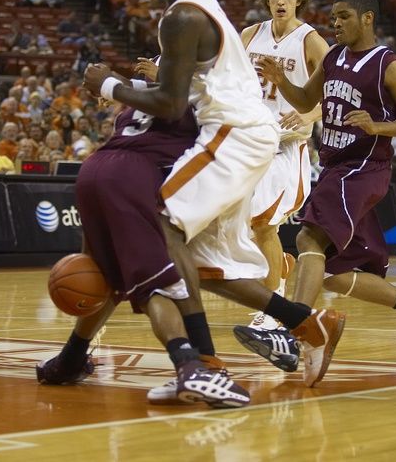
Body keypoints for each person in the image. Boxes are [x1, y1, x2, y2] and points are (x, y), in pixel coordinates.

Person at [83, 0, 346, 391]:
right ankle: (306, 323)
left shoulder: (190, 14)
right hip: (238, 131)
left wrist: (109, 85)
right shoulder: (235, 26)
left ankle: (202, 362)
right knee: (202, 262)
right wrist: (144, 88)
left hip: (244, 136)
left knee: (161, 221)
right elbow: (202, 87)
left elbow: (174, 102)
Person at [233, 0, 396, 370]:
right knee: (334, 275)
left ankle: (292, 331)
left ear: (367, 18)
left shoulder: (389, 65)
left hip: (364, 168)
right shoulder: (333, 57)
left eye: (343, 16)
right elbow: (304, 101)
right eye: (333, 17)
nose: (335, 24)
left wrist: (377, 126)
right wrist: (278, 80)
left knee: (308, 237)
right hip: (337, 168)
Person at [36, 100, 251, 409]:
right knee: (156, 285)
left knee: (106, 275)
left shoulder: (145, 92)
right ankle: (190, 367)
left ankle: (70, 359)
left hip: (94, 169)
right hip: (130, 177)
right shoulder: (199, 91)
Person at [241, 0, 329, 329]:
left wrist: (310, 116)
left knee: (263, 225)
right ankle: (277, 270)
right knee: (243, 227)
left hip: (286, 148)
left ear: (298, 0)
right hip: (248, 142)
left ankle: (273, 306)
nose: (280, 0)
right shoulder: (249, 35)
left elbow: (340, 91)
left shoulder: (310, 40)